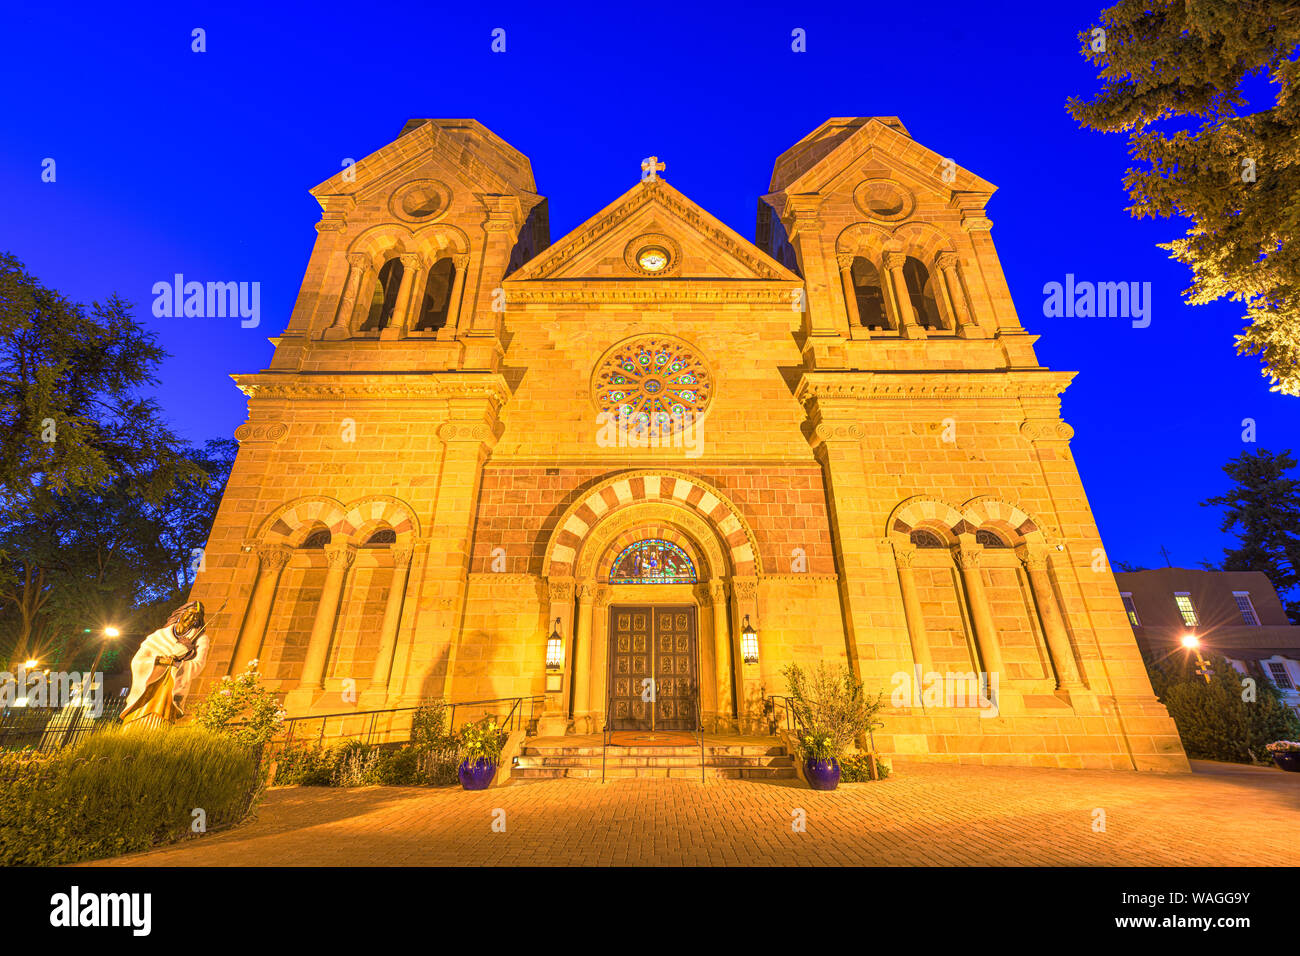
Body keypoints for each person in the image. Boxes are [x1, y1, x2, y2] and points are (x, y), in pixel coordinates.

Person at [120, 601, 210, 729]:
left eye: (195, 617)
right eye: (189, 615)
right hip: (149, 683)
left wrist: (178, 663)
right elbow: (138, 660)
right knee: (137, 717)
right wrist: (158, 660)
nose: (191, 619)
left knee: (161, 717)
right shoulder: (159, 635)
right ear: (181, 614)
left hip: (171, 684)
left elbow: (198, 664)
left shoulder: (200, 639)